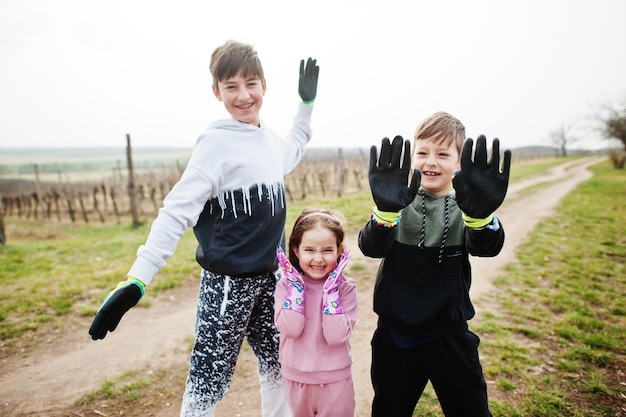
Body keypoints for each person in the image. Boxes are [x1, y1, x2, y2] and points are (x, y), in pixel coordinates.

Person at [88, 40, 320, 417]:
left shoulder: (269, 141)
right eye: (231, 86)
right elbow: (175, 212)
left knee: (281, 365)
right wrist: (138, 279)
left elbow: (294, 147)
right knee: (207, 382)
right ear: (217, 92)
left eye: (251, 83)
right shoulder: (215, 146)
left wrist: (306, 106)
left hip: (271, 279)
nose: (243, 95)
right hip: (227, 286)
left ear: (264, 85)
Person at [358, 111, 511, 417]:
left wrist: (481, 218)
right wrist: (385, 214)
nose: (431, 162)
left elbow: (487, 248)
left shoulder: (465, 208)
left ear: (459, 163)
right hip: (396, 335)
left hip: (450, 334)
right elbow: (370, 247)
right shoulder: (395, 201)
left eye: (443, 154)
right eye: (423, 152)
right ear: (411, 156)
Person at [274, 208, 358, 417]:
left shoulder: (346, 288)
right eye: (309, 250)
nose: (318, 259)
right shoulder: (286, 286)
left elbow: (336, 336)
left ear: (339, 251)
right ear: (296, 250)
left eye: (327, 250)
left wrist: (331, 292)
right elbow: (291, 329)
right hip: (295, 378)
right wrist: (297, 289)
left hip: (335, 379)